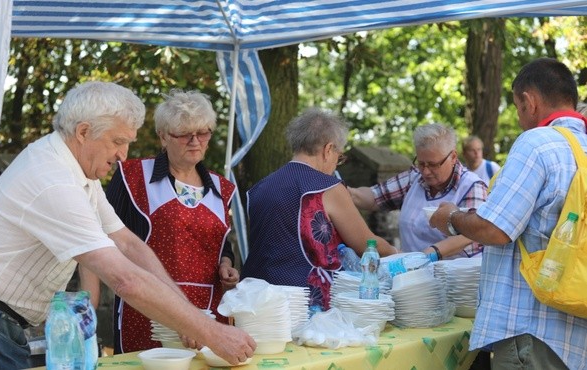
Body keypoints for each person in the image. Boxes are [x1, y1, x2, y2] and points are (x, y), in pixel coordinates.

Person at [0, 81, 255, 369]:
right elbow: (126, 280)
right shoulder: (54, 180)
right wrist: (209, 331)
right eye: (117, 141)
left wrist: (188, 317)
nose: (123, 155)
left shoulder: (76, 169)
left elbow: (127, 242)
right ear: (83, 132)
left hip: (0, 320)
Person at [430, 58, 587, 370]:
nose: (519, 117)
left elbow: (495, 229)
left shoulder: (538, 143)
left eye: (517, 107)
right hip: (575, 334)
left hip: (532, 332)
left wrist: (451, 217)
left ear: (529, 101)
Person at [105, 89, 239, 353]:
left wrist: (227, 265)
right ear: (163, 136)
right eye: (184, 134)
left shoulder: (222, 189)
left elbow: (222, 245)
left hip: (209, 312)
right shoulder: (132, 177)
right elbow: (105, 238)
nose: (195, 141)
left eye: (203, 133)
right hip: (149, 311)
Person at [241, 108, 397, 311]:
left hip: (257, 299)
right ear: (328, 149)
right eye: (338, 157)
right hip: (307, 303)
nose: (336, 164)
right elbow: (366, 244)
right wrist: (397, 253)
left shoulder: (259, 188)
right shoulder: (327, 188)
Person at [349, 123, 487, 260]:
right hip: (412, 272)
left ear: (453, 157)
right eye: (421, 163)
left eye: (433, 164)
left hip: (458, 278)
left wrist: (430, 254)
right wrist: (344, 192)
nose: (426, 171)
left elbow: (473, 232)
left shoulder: (472, 186)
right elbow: (375, 196)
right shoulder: (414, 178)